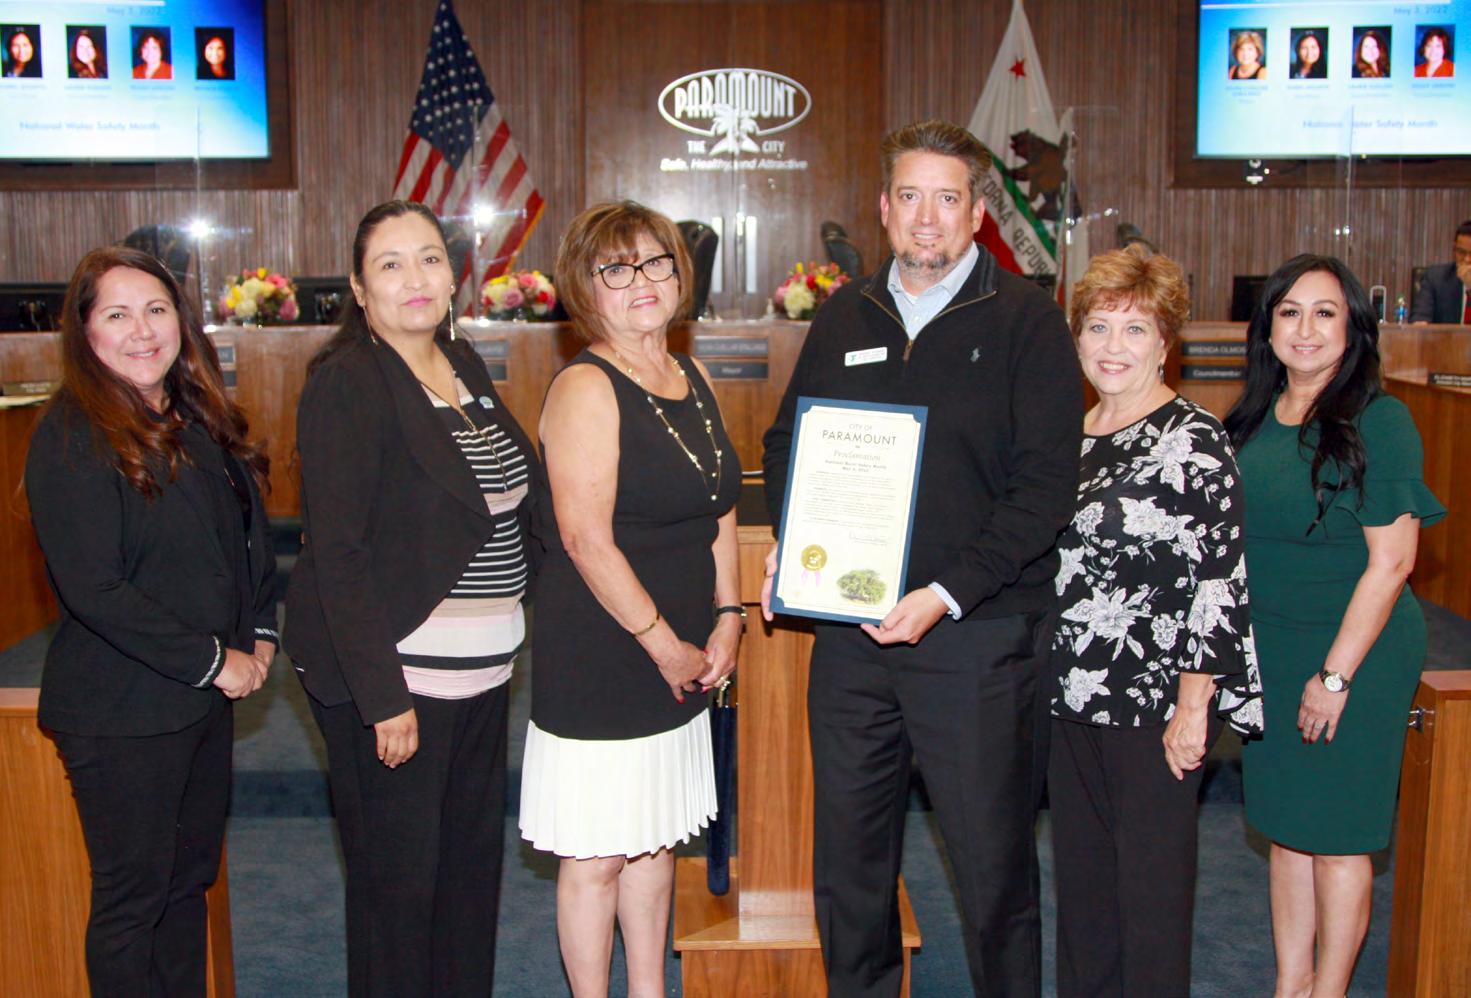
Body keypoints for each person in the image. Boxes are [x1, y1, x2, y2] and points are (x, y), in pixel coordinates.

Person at [761, 119, 1084, 996]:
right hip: (849, 637)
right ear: (883, 207)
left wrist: (945, 593)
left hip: (974, 639)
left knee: (991, 872)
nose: (927, 217)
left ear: (977, 214)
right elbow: (789, 443)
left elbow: (1044, 490)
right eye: (910, 196)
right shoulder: (846, 313)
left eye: (947, 198)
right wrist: (796, 542)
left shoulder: (1025, 320)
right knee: (849, 868)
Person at [285, 200, 538, 996]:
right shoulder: (348, 383)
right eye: (389, 265)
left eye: (429, 257)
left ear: (453, 274)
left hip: (482, 677)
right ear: (360, 290)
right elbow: (339, 554)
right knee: (397, 900)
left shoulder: (460, 364)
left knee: (466, 884)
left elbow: (510, 502)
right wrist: (383, 697)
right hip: (401, 685)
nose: (414, 277)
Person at [25, 245, 277, 994]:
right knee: (134, 901)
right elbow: (94, 588)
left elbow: (247, 543)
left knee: (187, 882)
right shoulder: (71, 434)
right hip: (121, 713)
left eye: (157, 310)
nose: (142, 331)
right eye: (117, 314)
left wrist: (260, 632)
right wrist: (215, 660)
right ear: (85, 332)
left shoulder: (196, 417)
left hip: (198, 704)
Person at [519, 200, 740, 997]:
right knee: (597, 857)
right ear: (585, 290)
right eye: (616, 268)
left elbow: (720, 508)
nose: (641, 280)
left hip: (684, 648)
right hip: (606, 653)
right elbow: (584, 539)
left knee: (654, 840)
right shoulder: (585, 386)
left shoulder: (692, 375)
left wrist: (728, 615)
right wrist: (662, 643)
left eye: (655, 261)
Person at [1226, 254, 1445, 998]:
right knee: (1287, 831)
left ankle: (1329, 991)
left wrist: (1334, 676)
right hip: (1272, 648)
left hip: (1354, 653)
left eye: (1325, 312)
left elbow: (1392, 562)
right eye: (1289, 311)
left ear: (1353, 327)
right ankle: (1291, 984)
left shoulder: (1380, 420)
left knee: (1339, 838)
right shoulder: (1252, 417)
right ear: (1267, 327)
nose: (1306, 328)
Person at [1047, 249, 1263, 997]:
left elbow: (1219, 581)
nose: (1113, 346)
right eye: (1098, 326)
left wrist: (1194, 705)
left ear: (1165, 342)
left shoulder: (1193, 438)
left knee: (1150, 900)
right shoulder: (1069, 435)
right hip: (1068, 697)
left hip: (1152, 707)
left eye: (1134, 329)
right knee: (1082, 894)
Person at [1410, 219, 1471, 324]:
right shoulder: (1435, 278)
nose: (1467, 259)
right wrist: (1421, 324)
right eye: (1461, 252)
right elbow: (1420, 318)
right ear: (1454, 250)